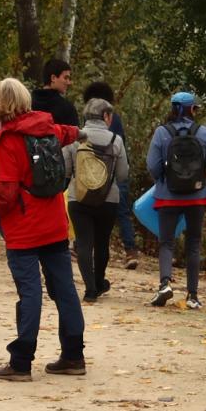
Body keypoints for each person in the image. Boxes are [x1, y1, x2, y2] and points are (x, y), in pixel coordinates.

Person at [0, 77, 84, 381]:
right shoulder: (47, 128)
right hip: (55, 224)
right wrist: (82, 132)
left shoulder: (7, 141)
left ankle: (21, 362)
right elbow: (69, 133)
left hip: (23, 230)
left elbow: (5, 195)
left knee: (30, 293)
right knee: (65, 290)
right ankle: (73, 356)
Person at [146, 91, 206, 310]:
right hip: (197, 197)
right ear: (192, 109)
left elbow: (153, 165)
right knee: (193, 244)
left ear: (172, 108)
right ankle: (193, 295)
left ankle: (165, 284)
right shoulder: (203, 133)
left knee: (166, 242)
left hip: (167, 197)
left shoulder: (161, 133)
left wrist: (163, 180)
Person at [65, 97, 129, 302]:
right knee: (102, 243)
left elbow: (65, 170)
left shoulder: (74, 138)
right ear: (106, 116)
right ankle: (100, 281)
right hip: (108, 200)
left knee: (83, 243)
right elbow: (122, 175)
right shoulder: (116, 140)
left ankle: (90, 289)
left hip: (79, 198)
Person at [83, 80, 139, 269]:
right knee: (122, 212)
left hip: (98, 172)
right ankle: (130, 251)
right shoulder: (115, 119)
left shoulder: (97, 121)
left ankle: (80, 246)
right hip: (117, 171)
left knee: (86, 207)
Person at [30, 58, 79, 128]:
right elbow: (74, 136)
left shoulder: (27, 104)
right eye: (65, 78)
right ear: (53, 78)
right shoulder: (67, 109)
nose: (69, 82)